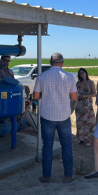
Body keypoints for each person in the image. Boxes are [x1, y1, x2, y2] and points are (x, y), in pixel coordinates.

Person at [33, 52, 78, 183]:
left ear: (50, 62)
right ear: (62, 63)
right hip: (64, 115)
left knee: (47, 146)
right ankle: (68, 175)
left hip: (47, 116)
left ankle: (47, 176)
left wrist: (44, 95)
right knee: (67, 145)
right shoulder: (69, 77)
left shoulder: (42, 76)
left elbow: (35, 96)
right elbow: (74, 97)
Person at [75, 68, 97, 146]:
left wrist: (86, 96)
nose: (82, 74)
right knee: (80, 122)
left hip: (87, 105)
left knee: (89, 122)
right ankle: (81, 138)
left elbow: (94, 94)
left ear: (86, 73)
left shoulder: (91, 83)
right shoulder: (78, 83)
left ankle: (89, 139)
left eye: (83, 73)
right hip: (79, 105)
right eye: (80, 73)